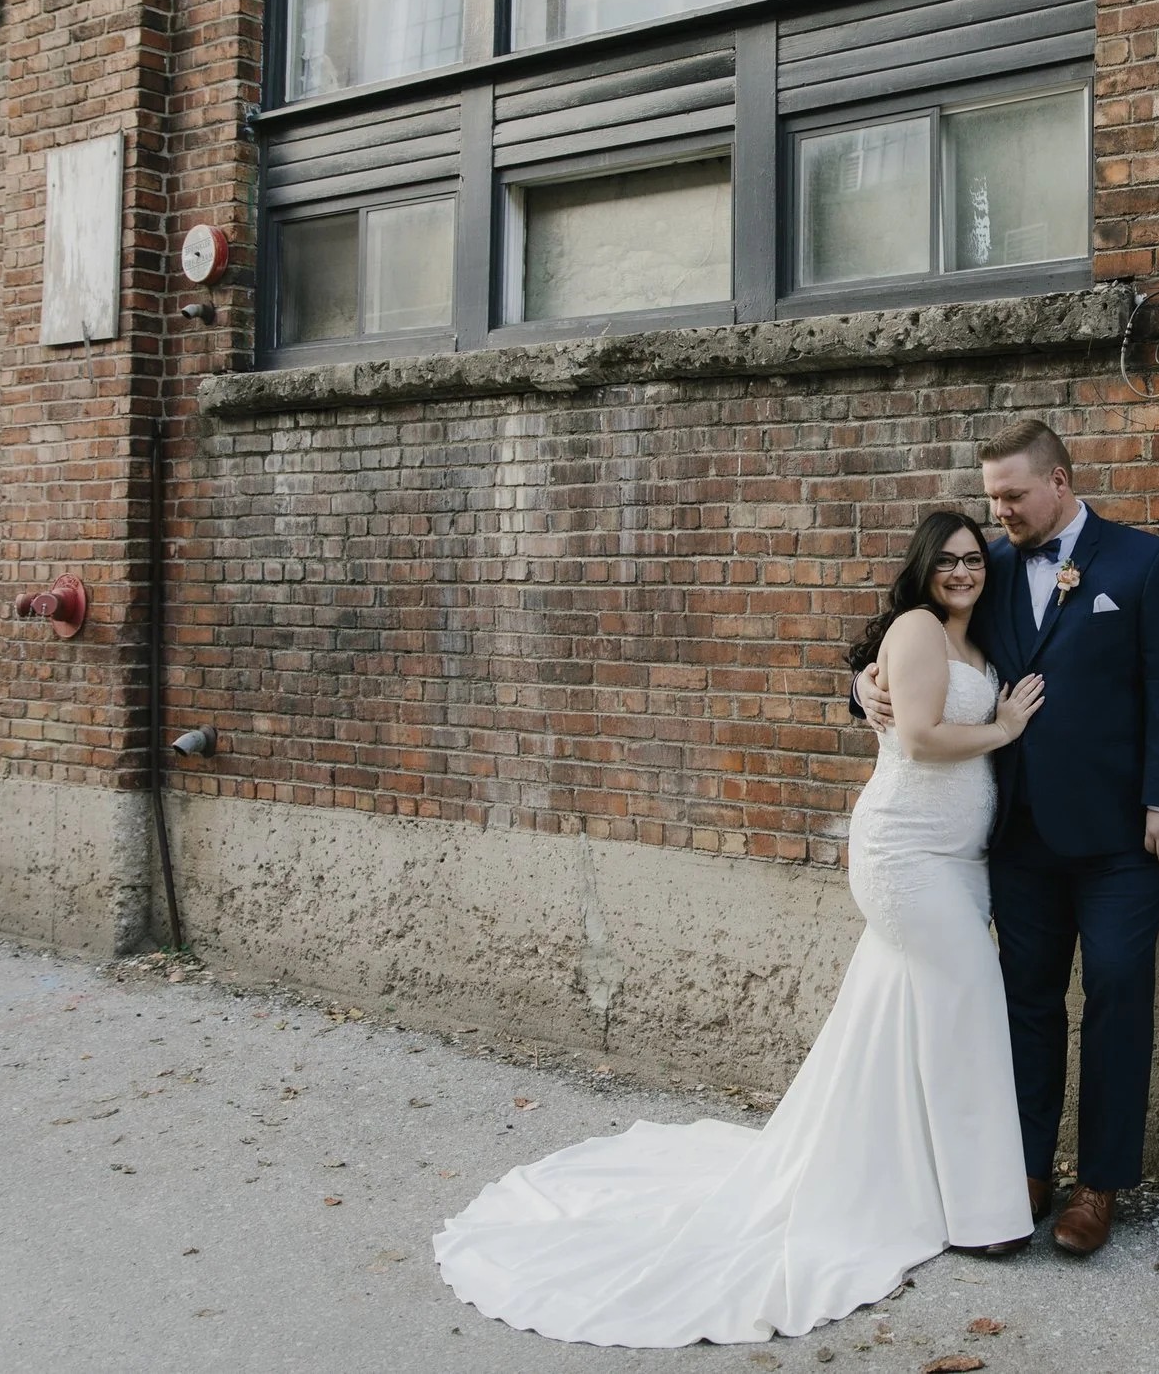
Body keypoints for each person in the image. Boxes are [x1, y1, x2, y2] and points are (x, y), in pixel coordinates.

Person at [434, 510, 1046, 1347]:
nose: (963, 571)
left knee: (898, 1014)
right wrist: (1003, 728)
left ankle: (912, 1180)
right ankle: (985, 1213)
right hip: (906, 855)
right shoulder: (915, 627)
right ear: (922, 568)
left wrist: (879, 685)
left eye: (973, 558)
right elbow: (920, 734)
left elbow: (902, 697)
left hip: (961, 859)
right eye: (946, 560)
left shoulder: (977, 637)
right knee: (972, 996)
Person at [856, 418, 1159, 1257]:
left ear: (1059, 480)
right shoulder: (987, 570)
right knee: (1024, 1003)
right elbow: (917, 646)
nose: (999, 512)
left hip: (1126, 838)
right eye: (991, 498)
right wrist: (860, 686)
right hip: (1018, 838)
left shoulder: (1146, 563)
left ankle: (1100, 1184)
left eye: (1012, 495)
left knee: (1120, 992)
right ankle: (1024, 1167)